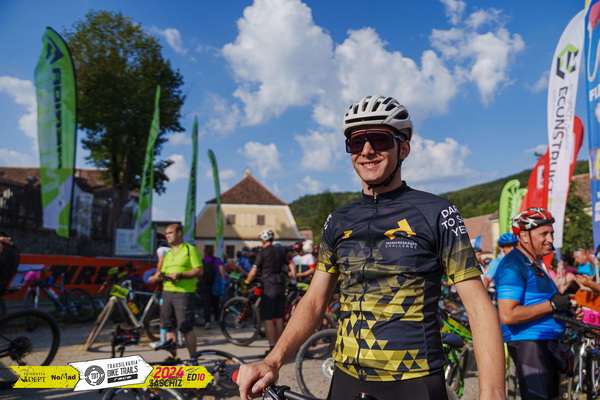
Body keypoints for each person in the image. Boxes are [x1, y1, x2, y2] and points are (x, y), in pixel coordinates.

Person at [237, 95, 505, 400]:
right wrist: (273, 360)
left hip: (414, 381)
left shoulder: (436, 212)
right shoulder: (338, 220)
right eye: (356, 142)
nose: (366, 150)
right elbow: (314, 300)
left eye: (379, 139)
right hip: (346, 379)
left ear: (403, 148)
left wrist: (493, 393)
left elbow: (478, 306)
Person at [495, 208, 583, 400]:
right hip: (529, 343)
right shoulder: (513, 265)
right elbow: (508, 315)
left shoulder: (535, 264)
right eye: (544, 234)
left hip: (547, 342)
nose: (550, 239)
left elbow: (541, 304)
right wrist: (552, 305)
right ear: (524, 236)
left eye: (551, 233)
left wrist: (566, 310)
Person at [148, 223, 202, 358]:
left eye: (170, 233)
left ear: (179, 233)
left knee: (186, 328)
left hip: (184, 293)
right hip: (167, 292)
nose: (167, 236)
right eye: (166, 234)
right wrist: (157, 276)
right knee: (169, 326)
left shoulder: (189, 249)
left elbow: (199, 271)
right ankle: (173, 358)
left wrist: (180, 275)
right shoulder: (168, 253)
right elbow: (162, 272)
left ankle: (193, 359)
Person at [245, 229, 294, 357]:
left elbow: (253, 272)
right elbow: (291, 265)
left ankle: (272, 347)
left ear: (263, 240)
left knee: (267, 318)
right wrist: (293, 277)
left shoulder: (262, 253)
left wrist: (246, 282)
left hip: (269, 285)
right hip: (281, 284)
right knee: (278, 317)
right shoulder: (281, 250)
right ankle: (280, 347)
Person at [483, 233, 519, 300]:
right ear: (502, 248)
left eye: (514, 246)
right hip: (503, 298)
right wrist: (483, 298)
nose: (512, 249)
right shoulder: (497, 262)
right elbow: (487, 279)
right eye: (508, 246)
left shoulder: (523, 261)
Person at [200, 246, 223, 329]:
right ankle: (218, 319)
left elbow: (199, 272)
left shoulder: (202, 261)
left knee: (206, 304)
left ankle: (208, 321)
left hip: (204, 284)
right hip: (215, 284)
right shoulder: (217, 260)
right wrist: (223, 280)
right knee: (215, 303)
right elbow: (222, 271)